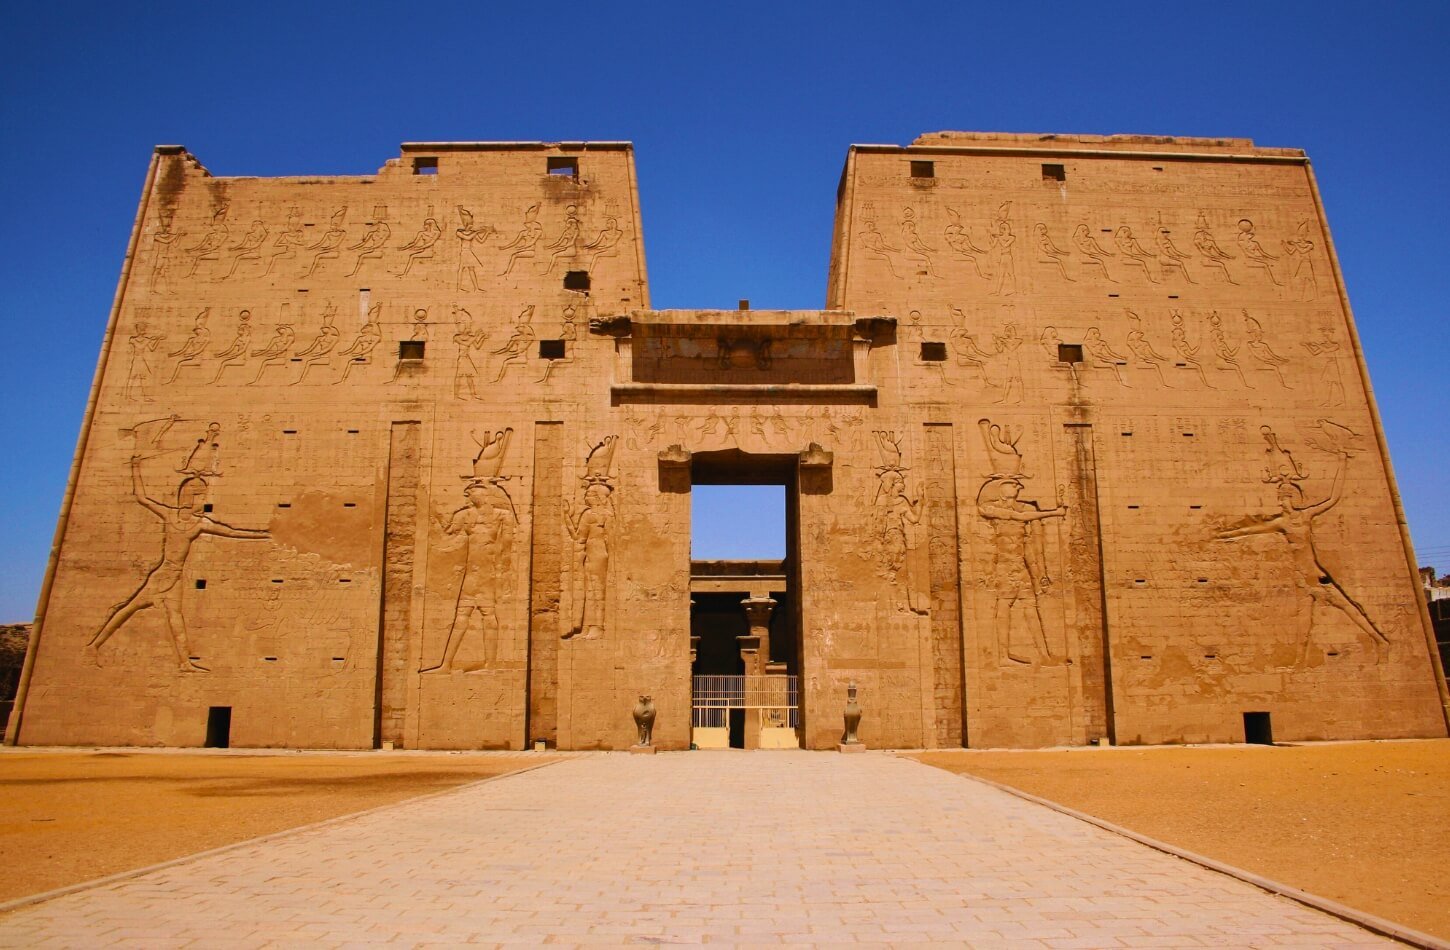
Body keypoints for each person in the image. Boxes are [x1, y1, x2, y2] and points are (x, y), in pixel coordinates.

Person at [88, 457, 269, 671]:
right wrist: (135, 468)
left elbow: (231, 532)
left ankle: (184, 663)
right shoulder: (171, 515)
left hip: (175, 576)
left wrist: (263, 535)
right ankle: (94, 645)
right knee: (131, 609)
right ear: (189, 498)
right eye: (201, 497)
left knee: (175, 617)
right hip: (163, 575)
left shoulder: (199, 523)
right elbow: (142, 497)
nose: (204, 502)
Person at [1215, 451, 1388, 663]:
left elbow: (1333, 499)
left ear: (1293, 499)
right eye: (1280, 498)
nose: (1282, 502)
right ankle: (1299, 662)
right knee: (1304, 623)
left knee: (1350, 609)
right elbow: (1251, 530)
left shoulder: (1304, 517)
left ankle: (1380, 641)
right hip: (1302, 581)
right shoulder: (1282, 522)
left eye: (1284, 498)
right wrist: (1224, 534)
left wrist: (1342, 462)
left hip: (1317, 577)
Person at [422, 481, 515, 672]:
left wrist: (503, 572)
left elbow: (507, 545)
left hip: (488, 572)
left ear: (482, 494)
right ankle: (446, 664)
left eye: (472, 494)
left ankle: (490, 664)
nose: (469, 498)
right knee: (462, 616)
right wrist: (434, 518)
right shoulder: (464, 515)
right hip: (471, 574)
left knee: (487, 615)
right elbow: (448, 534)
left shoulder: (502, 515)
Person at [978, 478, 1067, 665]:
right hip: (1003, 565)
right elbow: (1015, 517)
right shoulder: (991, 508)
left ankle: (1044, 655)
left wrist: (1039, 573)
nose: (1017, 486)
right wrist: (1054, 513)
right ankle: (1003, 656)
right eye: (1012, 484)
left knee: (1030, 606)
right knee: (1004, 605)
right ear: (1000, 489)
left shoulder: (1025, 509)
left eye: (1017, 484)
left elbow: (1029, 545)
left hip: (1019, 565)